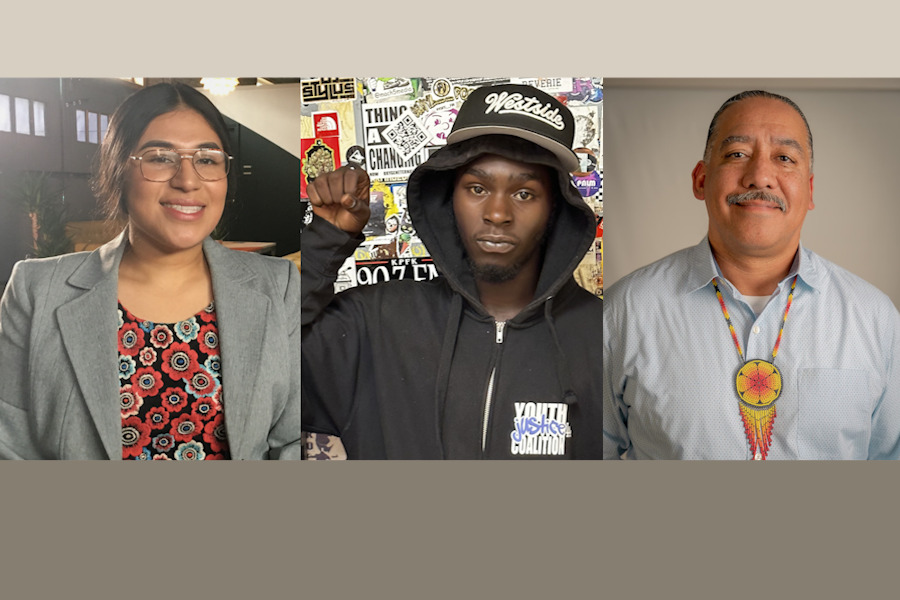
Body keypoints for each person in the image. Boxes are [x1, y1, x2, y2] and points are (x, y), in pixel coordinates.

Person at [0, 82, 303, 459]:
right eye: (160, 157)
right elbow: (11, 449)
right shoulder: (36, 291)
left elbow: (293, 442)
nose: (188, 180)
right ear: (117, 170)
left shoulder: (279, 286)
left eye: (207, 159)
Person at [301, 84, 602, 459]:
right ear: (447, 198)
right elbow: (260, 362)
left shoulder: (606, 334)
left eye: (524, 193)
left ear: (556, 207)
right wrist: (326, 240)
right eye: (477, 188)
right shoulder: (375, 320)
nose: (497, 213)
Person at [603, 89, 900, 460]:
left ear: (808, 191)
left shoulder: (875, 318)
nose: (760, 176)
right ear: (700, 180)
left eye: (785, 158)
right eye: (737, 154)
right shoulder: (622, 312)